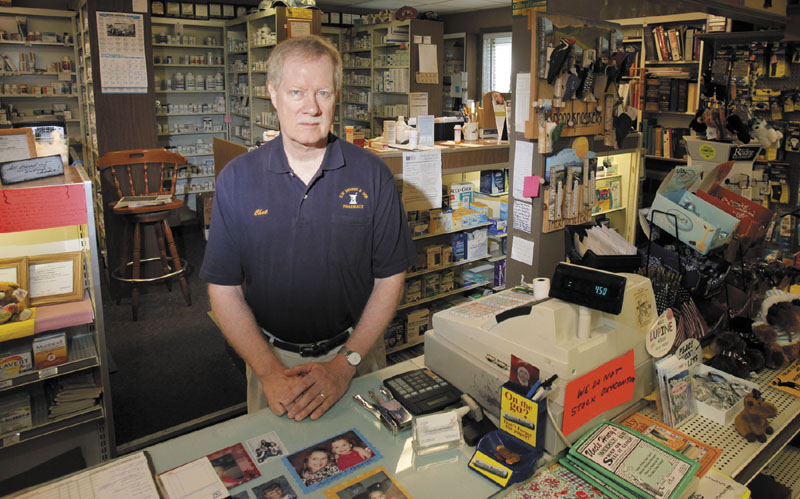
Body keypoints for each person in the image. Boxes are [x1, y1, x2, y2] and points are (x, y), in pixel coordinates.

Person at [200, 34, 415, 422]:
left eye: (323, 93)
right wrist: (268, 372)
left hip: (356, 354)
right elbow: (224, 289)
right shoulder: (238, 179)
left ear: (336, 96)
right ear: (273, 93)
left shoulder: (371, 175)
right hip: (271, 360)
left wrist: (344, 364)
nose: (311, 107)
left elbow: (389, 278)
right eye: (297, 91)